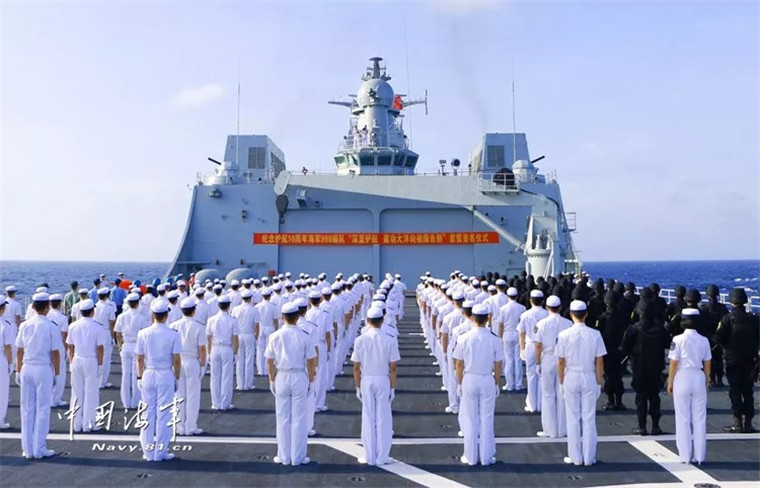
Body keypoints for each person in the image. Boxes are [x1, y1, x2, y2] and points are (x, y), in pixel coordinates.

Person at [265, 301, 317, 466]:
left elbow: (269, 360)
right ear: (297, 317)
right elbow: (311, 361)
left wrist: (271, 379)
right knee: (299, 418)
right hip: (299, 375)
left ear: (282, 317)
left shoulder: (274, 336)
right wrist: (311, 380)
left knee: (282, 417)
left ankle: (284, 456)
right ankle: (297, 457)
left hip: (282, 375)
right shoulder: (304, 336)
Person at [453, 303, 504, 466]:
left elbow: (458, 363)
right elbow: (498, 364)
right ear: (487, 318)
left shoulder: (464, 337)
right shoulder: (494, 338)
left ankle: (470, 457)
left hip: (469, 378)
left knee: (470, 419)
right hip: (487, 378)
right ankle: (486, 457)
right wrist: (497, 383)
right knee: (487, 418)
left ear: (472, 318)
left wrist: (459, 383)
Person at [557, 300, 606, 466]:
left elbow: (561, 361)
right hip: (589, 376)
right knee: (589, 418)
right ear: (586, 315)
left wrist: (561, 382)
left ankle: (575, 457)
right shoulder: (595, 334)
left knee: (572, 417)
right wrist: (599, 382)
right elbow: (599, 361)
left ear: (571, 314)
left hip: (571, 375)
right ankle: (589, 457)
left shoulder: (563, 335)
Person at [15, 292, 62, 459]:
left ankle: (27, 449)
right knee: (42, 409)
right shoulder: (51, 326)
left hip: (27, 367)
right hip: (43, 369)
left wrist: (18, 370)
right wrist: (57, 374)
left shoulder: (24, 325)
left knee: (26, 409)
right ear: (47, 306)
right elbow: (55, 353)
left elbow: (19, 350)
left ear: (33, 307)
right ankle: (39, 448)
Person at [352, 306, 400, 466]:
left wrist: (358, 386)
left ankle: (369, 456)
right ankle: (382, 456)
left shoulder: (360, 340)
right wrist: (393, 387)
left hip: (366, 379)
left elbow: (356, 367)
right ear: (382, 321)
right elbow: (393, 367)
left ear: (367, 321)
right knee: (383, 418)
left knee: (368, 417)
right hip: (383, 379)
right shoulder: (390, 339)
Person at [136, 299, 182, 462]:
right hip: (165, 374)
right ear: (166, 315)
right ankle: (160, 452)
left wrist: (139, 376)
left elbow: (139, 358)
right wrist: (177, 377)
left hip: (148, 373)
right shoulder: (173, 334)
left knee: (147, 413)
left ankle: (148, 451)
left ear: (152, 315)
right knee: (164, 414)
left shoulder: (143, 333)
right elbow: (176, 360)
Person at [667, 308, 711, 464]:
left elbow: (673, 363)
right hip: (698, 376)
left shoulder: (677, 339)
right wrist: (706, 381)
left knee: (683, 418)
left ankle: (685, 456)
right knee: (700, 418)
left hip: (682, 376)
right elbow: (707, 363)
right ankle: (700, 456)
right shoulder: (704, 340)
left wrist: (670, 381)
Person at [620, 300, 670, 435]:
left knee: (641, 397)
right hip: (656, 368)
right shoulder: (660, 328)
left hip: (639, 367)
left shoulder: (633, 329)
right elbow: (668, 344)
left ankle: (641, 426)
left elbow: (624, 347)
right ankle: (655, 426)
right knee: (654, 397)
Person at [714, 288, 760, 433]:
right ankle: (749, 423)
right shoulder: (755, 319)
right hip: (750, 360)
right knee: (748, 391)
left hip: (732, 360)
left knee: (735, 391)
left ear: (732, 301)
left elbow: (717, 338)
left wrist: (724, 346)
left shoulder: (727, 319)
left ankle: (737, 422)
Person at [535, 295, 571, 438]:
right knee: (562, 394)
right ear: (560, 307)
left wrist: (538, 362)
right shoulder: (568, 323)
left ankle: (550, 430)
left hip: (548, 358)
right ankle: (562, 429)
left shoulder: (541, 324)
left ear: (547, 307)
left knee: (548, 394)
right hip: (564, 359)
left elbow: (538, 345)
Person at [66, 299, 105, 432]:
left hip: (77, 358)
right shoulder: (98, 327)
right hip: (91, 360)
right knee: (91, 393)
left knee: (76, 392)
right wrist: (100, 365)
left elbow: (70, 347)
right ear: (92, 311)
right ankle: (89, 424)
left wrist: (71, 361)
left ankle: (76, 424)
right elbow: (100, 348)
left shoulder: (73, 326)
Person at [170, 297, 207, 436]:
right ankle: (190, 426)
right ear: (194, 311)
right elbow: (202, 349)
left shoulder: (173, 326)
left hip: (177, 360)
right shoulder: (199, 326)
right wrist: (203, 365)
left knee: (179, 395)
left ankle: (179, 426)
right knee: (193, 395)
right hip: (192, 361)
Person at [595, 290, 628, 411]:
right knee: (618, 376)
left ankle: (611, 401)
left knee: (608, 376)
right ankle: (619, 401)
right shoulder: (623, 316)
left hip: (606, 350)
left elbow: (598, 333)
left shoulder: (602, 317)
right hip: (620, 350)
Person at [114, 293, 148, 409]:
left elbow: (117, 334)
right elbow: (145, 335)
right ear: (138, 303)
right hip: (137, 345)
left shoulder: (121, 316)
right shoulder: (142, 318)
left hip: (126, 345)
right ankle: (135, 401)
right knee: (136, 374)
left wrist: (120, 346)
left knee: (125, 374)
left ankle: (126, 402)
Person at [206, 295, 239, 410]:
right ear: (228, 306)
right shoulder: (232, 320)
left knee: (214, 377)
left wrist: (209, 352)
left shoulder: (211, 320)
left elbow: (208, 338)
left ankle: (216, 403)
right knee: (227, 377)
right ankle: (225, 403)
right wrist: (235, 352)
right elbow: (235, 338)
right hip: (227, 348)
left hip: (215, 348)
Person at [518, 289, 548, 413]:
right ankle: (541, 404)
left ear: (530, 300)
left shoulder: (525, 315)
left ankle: (532, 404)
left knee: (531, 375)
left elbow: (521, 332)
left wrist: (522, 348)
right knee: (542, 376)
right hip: (544, 346)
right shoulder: (547, 314)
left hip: (530, 344)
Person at [497, 287, 525, 391]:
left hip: (507, 333)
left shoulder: (503, 308)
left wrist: (500, 337)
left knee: (508, 359)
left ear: (508, 296)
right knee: (518, 359)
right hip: (518, 333)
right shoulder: (522, 308)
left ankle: (509, 384)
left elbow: (500, 324)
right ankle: (518, 384)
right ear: (516, 296)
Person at [700, 285, 728, 386]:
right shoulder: (722, 308)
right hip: (719, 336)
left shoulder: (703, 309)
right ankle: (719, 380)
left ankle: (711, 379)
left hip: (707, 337)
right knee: (719, 358)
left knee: (709, 358)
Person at [232, 289, 258, 391]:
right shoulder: (254, 309)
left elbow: (232, 323)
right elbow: (256, 325)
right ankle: (248, 384)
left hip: (238, 335)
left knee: (239, 360)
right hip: (249, 334)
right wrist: (256, 336)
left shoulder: (235, 309)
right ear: (250, 299)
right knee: (249, 360)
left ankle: (240, 384)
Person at [47, 295, 69, 407]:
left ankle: (48, 397)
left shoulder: (46, 315)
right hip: (58, 345)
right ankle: (56, 399)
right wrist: (66, 349)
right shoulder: (63, 317)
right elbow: (64, 336)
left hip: (46, 345)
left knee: (48, 371)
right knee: (59, 373)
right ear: (60, 304)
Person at [94, 288, 116, 388]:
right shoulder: (109, 307)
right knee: (106, 358)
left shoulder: (94, 306)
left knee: (96, 357)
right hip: (106, 332)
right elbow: (111, 323)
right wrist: (113, 337)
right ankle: (103, 381)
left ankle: (96, 380)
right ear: (106, 296)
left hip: (95, 332)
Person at [255, 288, 278, 376]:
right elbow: (275, 321)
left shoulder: (257, 306)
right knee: (269, 350)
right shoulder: (273, 306)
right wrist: (276, 330)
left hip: (261, 328)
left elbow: (256, 321)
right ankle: (267, 369)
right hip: (270, 328)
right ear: (269, 296)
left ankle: (260, 370)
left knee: (260, 350)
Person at [0, 296, 13, 429]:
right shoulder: (5, 324)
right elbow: (8, 346)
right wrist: (10, 363)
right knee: (2, 391)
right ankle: (0, 420)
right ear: (3, 308)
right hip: (1, 357)